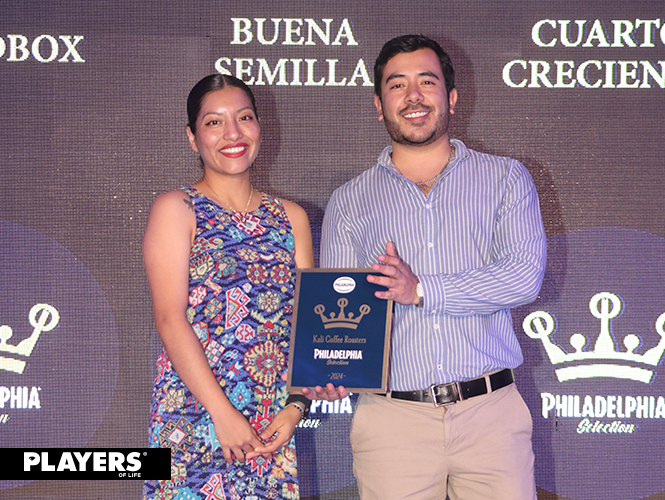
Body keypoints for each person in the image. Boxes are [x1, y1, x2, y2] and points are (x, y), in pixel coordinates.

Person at [319, 35, 547, 500]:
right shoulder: (349, 201)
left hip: (490, 417)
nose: (413, 96)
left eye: (427, 82)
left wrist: (421, 290)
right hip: (393, 424)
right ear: (379, 105)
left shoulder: (505, 178)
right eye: (396, 85)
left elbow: (524, 276)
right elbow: (339, 313)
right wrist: (332, 370)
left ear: (452, 97)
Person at [143, 74, 313, 500]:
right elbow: (169, 319)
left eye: (244, 118)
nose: (233, 133)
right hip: (195, 416)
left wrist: (295, 408)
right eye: (214, 122)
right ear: (192, 137)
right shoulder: (177, 208)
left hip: (270, 424)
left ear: (260, 127)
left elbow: (307, 324)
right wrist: (222, 413)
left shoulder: (291, 218)